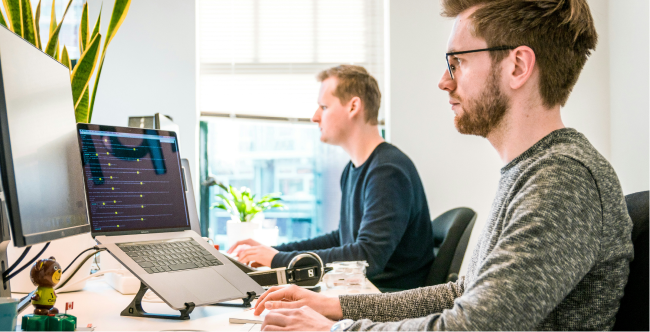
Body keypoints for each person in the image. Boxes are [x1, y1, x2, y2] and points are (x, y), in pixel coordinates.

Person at [252, 0, 634, 331]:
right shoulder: (533, 171)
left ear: (517, 66)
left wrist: (337, 330)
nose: (443, 81)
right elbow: (463, 294)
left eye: (458, 63)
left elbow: (473, 326)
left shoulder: (562, 179)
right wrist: (334, 306)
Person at [228, 65, 435, 290]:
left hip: (386, 301)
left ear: (353, 106)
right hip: (363, 292)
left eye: (324, 107)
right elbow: (342, 239)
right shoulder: (354, 169)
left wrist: (277, 260)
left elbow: (366, 258)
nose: (314, 117)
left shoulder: (388, 171)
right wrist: (275, 252)